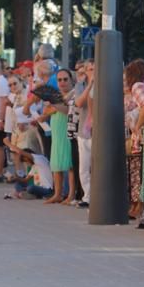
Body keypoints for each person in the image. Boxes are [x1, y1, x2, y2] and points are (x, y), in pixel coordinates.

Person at [41, 68, 76, 204]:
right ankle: (57, 193)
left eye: (65, 79)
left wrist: (54, 106)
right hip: (56, 129)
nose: (62, 82)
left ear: (71, 80)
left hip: (67, 128)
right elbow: (47, 111)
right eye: (59, 80)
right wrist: (54, 106)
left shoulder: (74, 93)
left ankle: (71, 194)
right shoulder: (56, 95)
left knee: (69, 162)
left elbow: (67, 110)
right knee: (55, 160)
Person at [124, 60, 144, 226]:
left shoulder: (138, 86)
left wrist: (138, 127)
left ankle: (140, 209)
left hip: (139, 137)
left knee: (137, 173)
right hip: (141, 137)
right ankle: (139, 208)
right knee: (139, 172)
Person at [74, 59, 94, 208]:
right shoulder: (81, 85)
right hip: (83, 129)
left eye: (95, 69)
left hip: (97, 131)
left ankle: (97, 195)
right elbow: (79, 103)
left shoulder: (103, 84)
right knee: (84, 167)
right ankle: (87, 196)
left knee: (96, 165)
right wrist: (90, 85)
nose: (92, 72)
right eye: (89, 69)